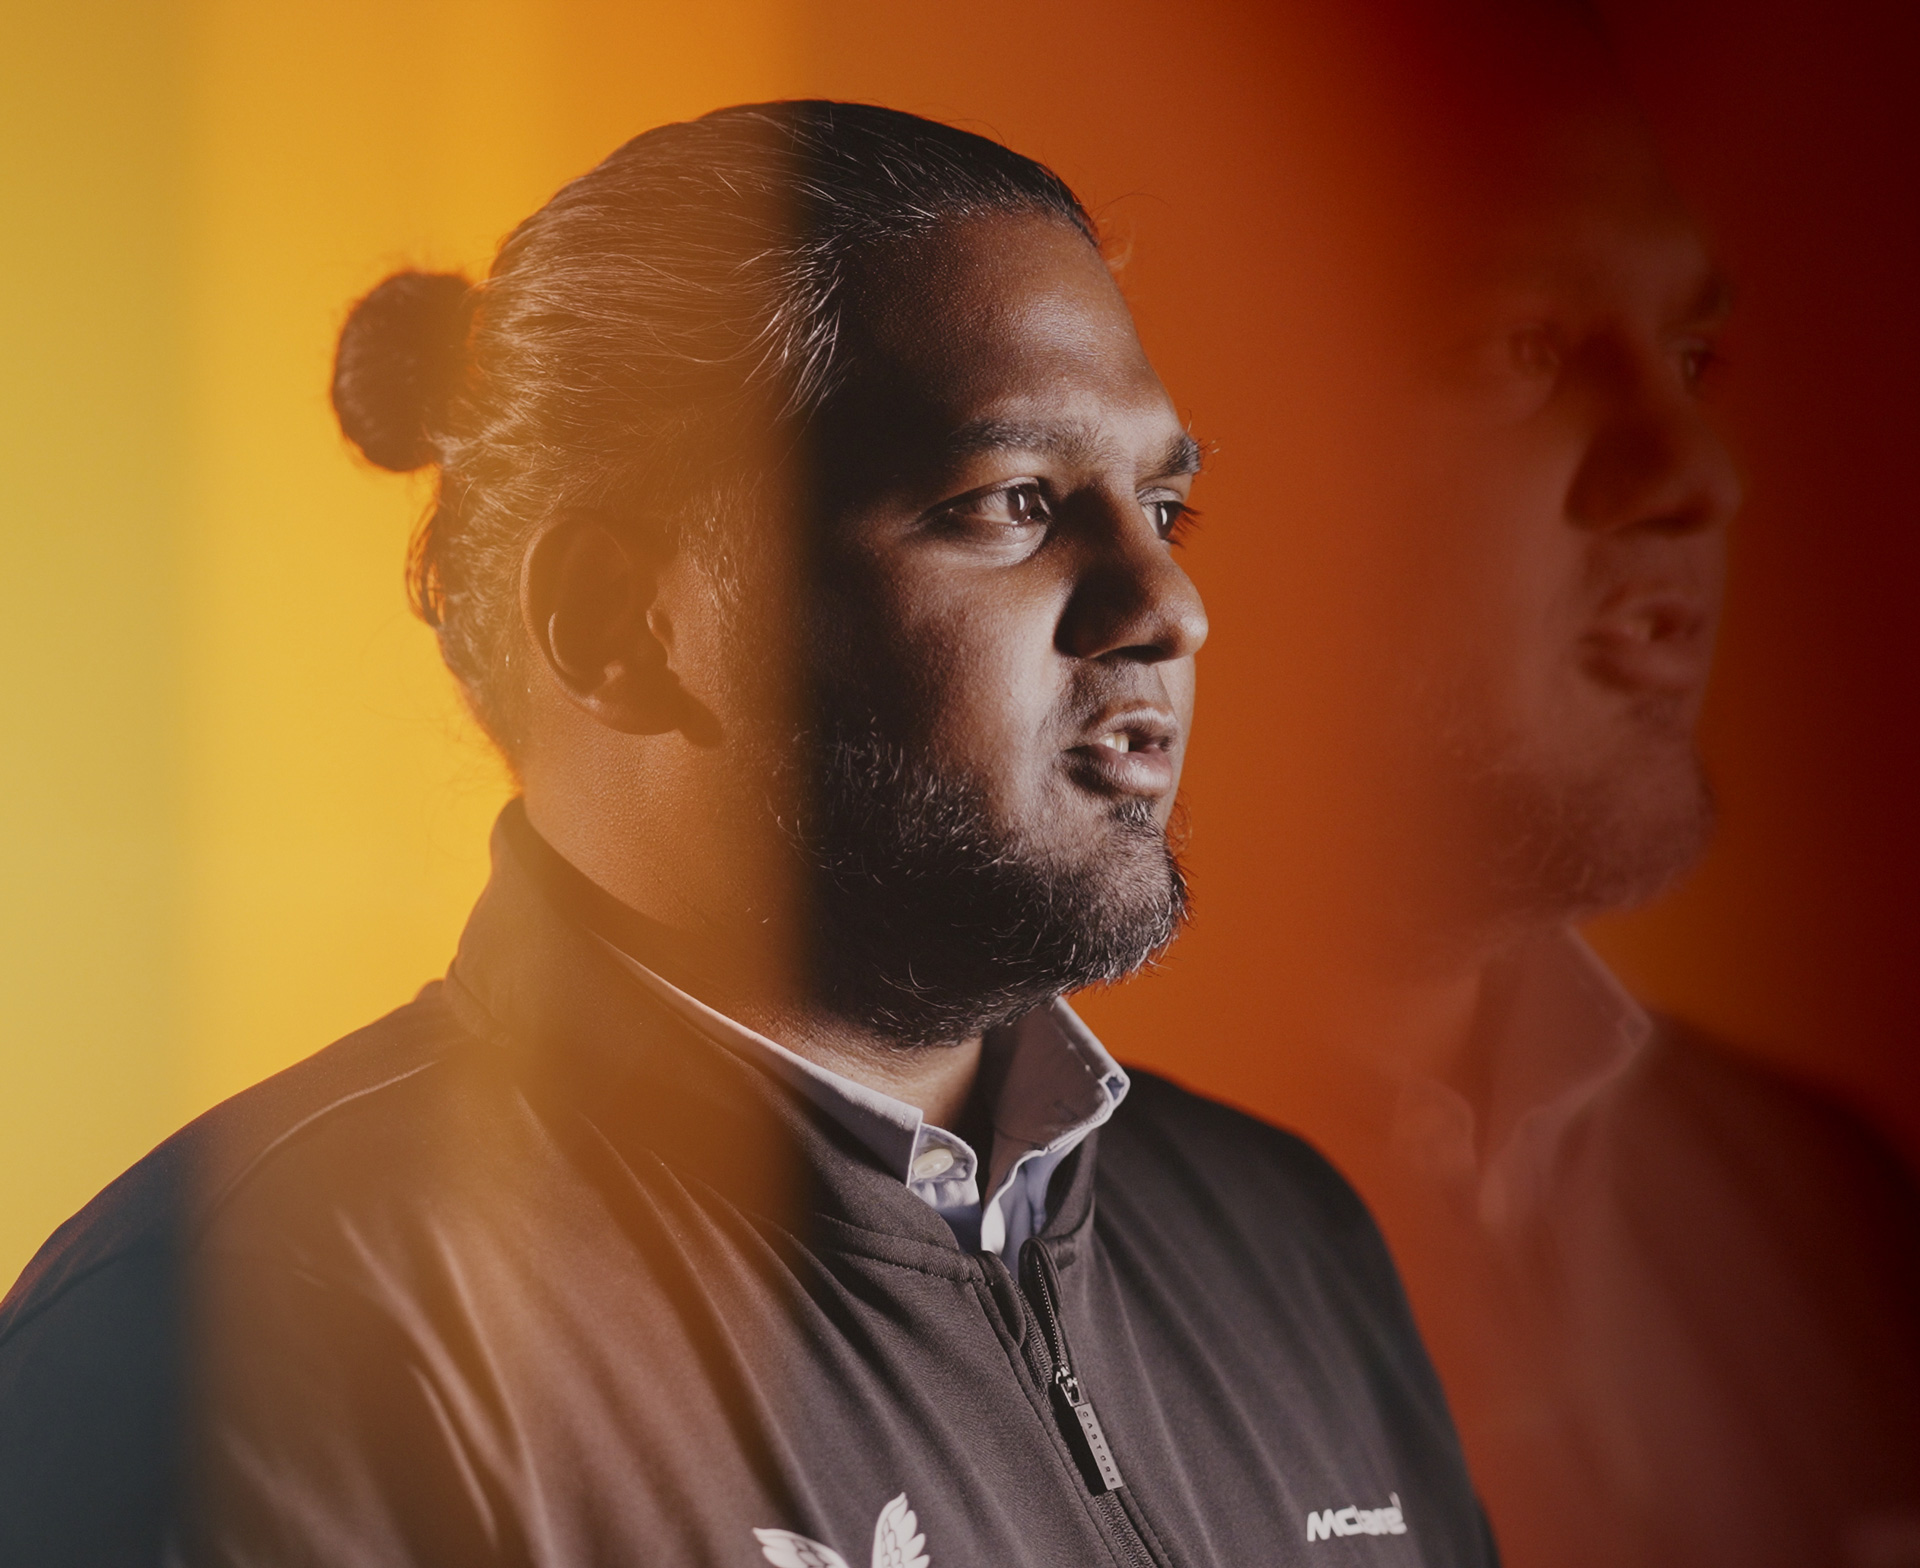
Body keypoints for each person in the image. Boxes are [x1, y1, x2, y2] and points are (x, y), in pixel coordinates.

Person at [0, 103, 1495, 1568]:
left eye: (1164, 503)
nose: (1169, 605)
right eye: (1011, 504)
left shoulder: (1281, 1239)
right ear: (617, 625)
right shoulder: (249, 1346)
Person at [1232, 7, 1920, 1566]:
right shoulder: (863, 1260)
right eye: (1522, 346)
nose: (1697, 469)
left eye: (1691, 354)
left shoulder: (1829, 1217)